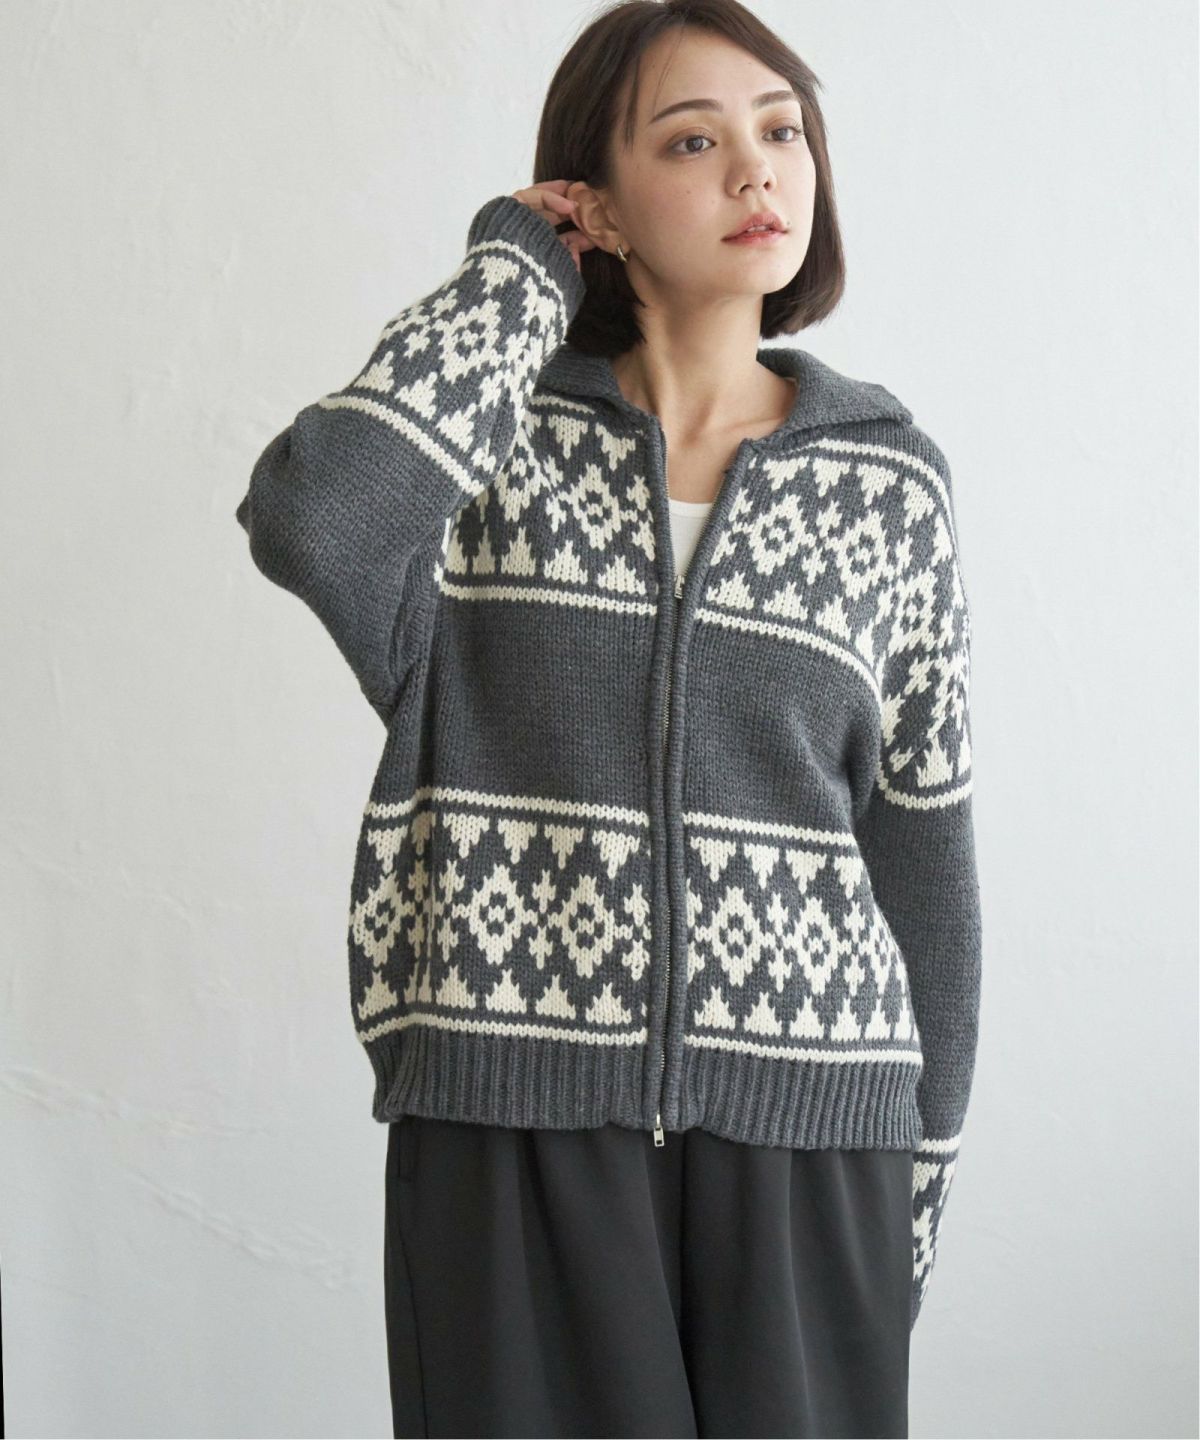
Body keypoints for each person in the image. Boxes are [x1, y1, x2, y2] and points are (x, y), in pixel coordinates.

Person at [235, 2, 983, 1435]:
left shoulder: (889, 485)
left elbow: (925, 864)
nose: (756, 171)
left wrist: (917, 1185)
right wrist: (514, 274)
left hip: (812, 1145)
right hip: (512, 1128)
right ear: (601, 200)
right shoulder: (488, 458)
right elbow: (315, 521)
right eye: (691, 143)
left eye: (782, 130)